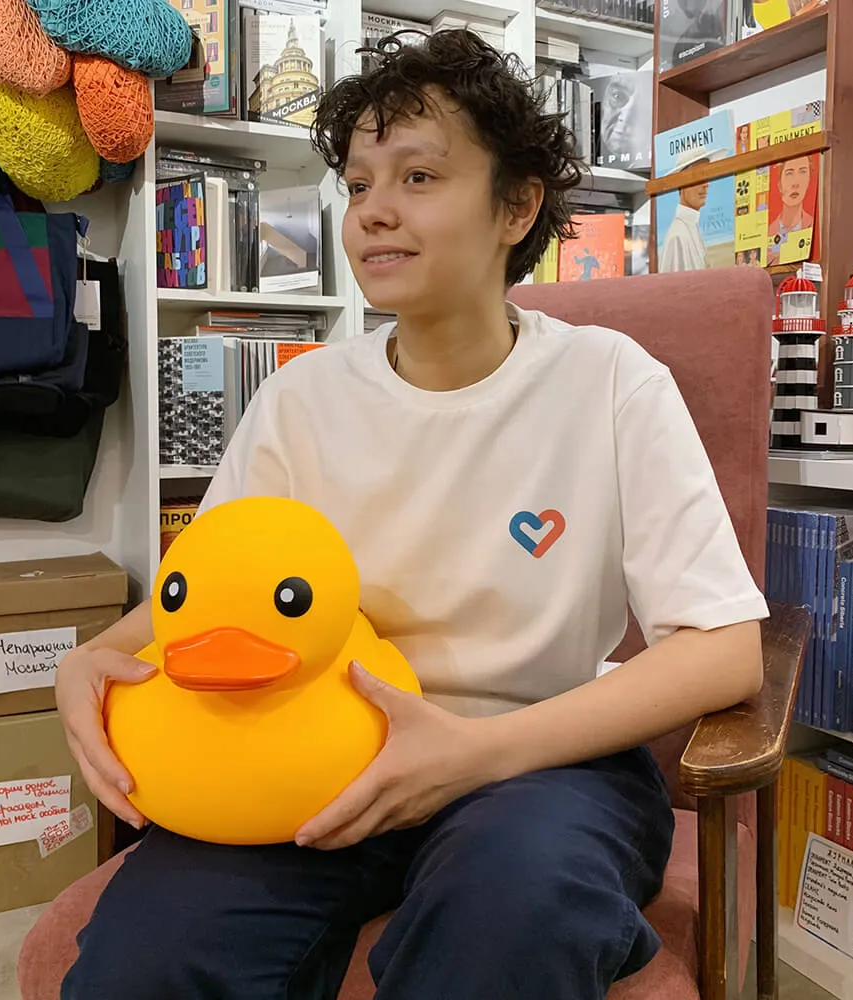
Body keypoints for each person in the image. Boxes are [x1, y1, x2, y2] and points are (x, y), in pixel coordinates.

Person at [56, 29, 767, 1000]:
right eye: (357, 185)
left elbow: (723, 649)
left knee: (511, 920)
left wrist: (475, 754)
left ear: (516, 206)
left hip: (536, 762)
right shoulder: (302, 401)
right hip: (311, 756)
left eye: (419, 176)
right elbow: (213, 599)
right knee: (148, 960)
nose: (374, 212)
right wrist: (95, 656)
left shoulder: (609, 384)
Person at [659, 176, 710, 271]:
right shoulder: (677, 236)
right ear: (682, 186)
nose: (706, 185)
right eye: (698, 178)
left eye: (706, 179)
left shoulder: (692, 226)